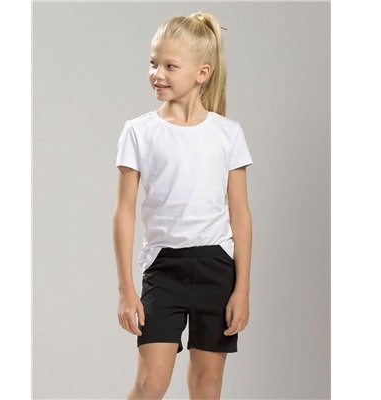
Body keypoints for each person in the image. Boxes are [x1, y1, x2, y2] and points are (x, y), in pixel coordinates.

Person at [113, 10, 253, 400]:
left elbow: (240, 215)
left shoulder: (227, 134)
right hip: (164, 269)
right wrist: (126, 289)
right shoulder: (139, 132)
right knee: (150, 383)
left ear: (202, 72)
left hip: (216, 269)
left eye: (170, 66)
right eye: (153, 63)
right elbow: (124, 212)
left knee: (207, 385)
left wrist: (242, 288)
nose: (157, 74)